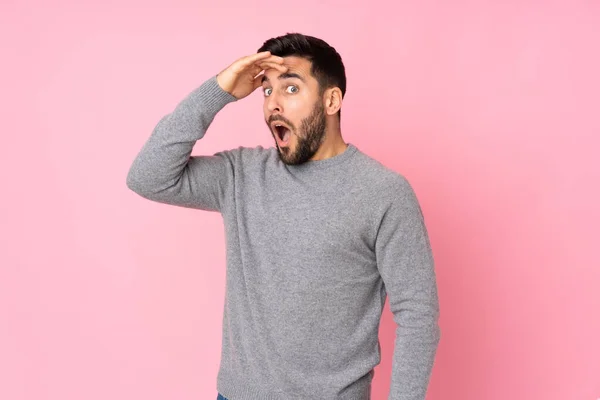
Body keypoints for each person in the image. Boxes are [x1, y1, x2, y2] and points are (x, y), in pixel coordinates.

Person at [127, 33, 441, 400]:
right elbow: (147, 177)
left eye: (290, 89)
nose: (273, 104)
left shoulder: (384, 193)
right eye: (265, 91)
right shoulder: (240, 175)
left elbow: (417, 316)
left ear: (331, 100)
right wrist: (219, 90)